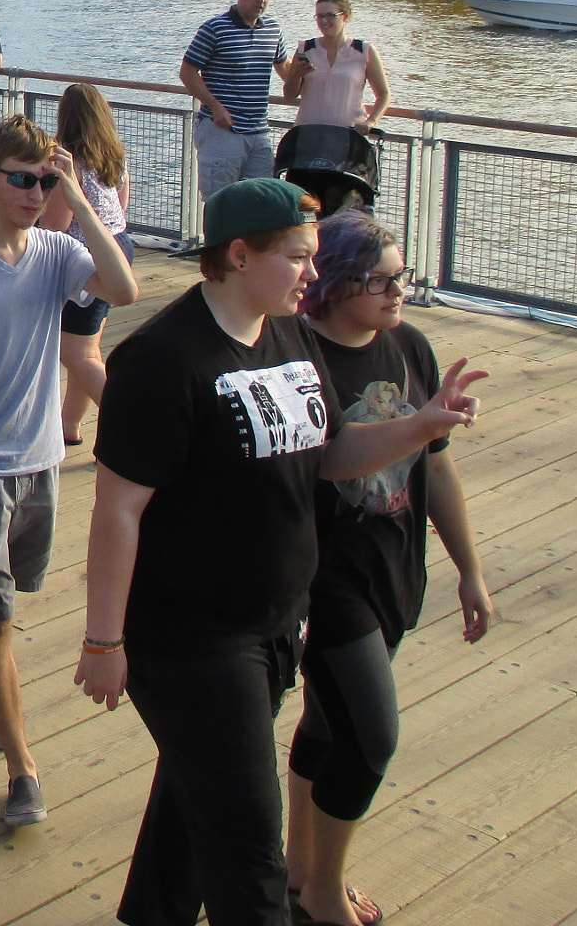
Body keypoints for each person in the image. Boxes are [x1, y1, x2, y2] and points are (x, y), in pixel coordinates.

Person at [76, 178, 481, 926]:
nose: (311, 274)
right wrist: (104, 639)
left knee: (198, 796)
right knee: (251, 852)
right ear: (238, 254)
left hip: (274, 623)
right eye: (297, 257)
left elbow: (329, 453)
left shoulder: (288, 334)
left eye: (314, 256)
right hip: (193, 638)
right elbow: (118, 509)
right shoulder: (165, 360)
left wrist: (423, 427)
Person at [0, 115, 137, 827]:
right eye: (22, 179)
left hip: (41, 460)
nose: (35, 193)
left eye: (45, 181)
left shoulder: (55, 253)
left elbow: (122, 288)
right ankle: (23, 769)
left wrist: (76, 190)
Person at [285, 209, 492, 926]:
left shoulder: (410, 348)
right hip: (327, 575)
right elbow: (331, 460)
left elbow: (437, 468)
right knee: (372, 737)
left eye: (401, 278)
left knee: (326, 724)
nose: (397, 292)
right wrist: (423, 422)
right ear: (337, 284)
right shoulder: (302, 355)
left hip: (398, 568)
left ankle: (297, 864)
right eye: (381, 281)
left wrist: (470, 569)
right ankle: (320, 892)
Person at [39, 83, 135, 446]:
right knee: (88, 348)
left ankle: (126, 426)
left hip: (85, 258)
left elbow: (57, 225)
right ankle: (70, 424)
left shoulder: (69, 163)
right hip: (118, 248)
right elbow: (120, 209)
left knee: (75, 353)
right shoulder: (115, 156)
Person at [180, 0, 291, 198]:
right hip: (222, 129)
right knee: (220, 201)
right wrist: (215, 106)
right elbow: (187, 73)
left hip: (258, 131)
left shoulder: (273, 30)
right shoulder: (215, 29)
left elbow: (285, 70)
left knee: (262, 200)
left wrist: (310, 73)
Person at [283, 0, 391, 133]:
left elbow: (383, 94)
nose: (324, 21)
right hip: (308, 134)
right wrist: (297, 74)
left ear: (345, 16)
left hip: (348, 134)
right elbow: (289, 96)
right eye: (320, 16)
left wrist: (371, 121)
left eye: (330, 16)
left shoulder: (363, 51)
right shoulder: (306, 49)